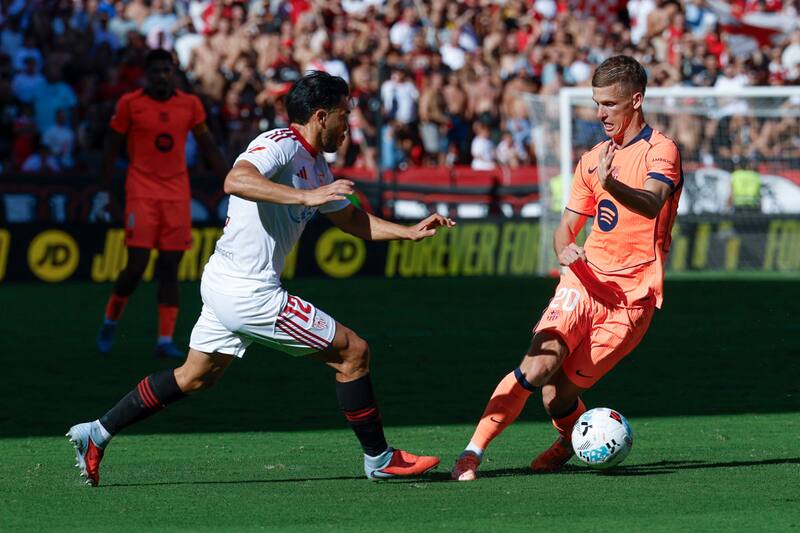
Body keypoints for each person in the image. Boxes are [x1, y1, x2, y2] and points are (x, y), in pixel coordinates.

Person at [68, 71, 455, 486]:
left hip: (226, 282)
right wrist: (305, 196)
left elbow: (350, 219)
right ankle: (379, 458)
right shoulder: (279, 143)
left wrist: (407, 232)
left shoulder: (316, 165)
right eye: (344, 115)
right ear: (320, 116)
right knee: (353, 353)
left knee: (195, 376)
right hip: (249, 292)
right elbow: (235, 179)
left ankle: (97, 432)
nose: (348, 125)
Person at [451, 55, 683, 481]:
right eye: (597, 104)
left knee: (556, 396)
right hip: (583, 281)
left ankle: (568, 441)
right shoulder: (592, 159)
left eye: (609, 104)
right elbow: (564, 231)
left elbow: (652, 203)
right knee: (538, 365)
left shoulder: (661, 150)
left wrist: (612, 184)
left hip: (631, 300)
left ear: (636, 100)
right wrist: (565, 251)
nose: (600, 114)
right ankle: (471, 453)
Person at [95, 48, 227, 359]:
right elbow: (111, 146)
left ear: (173, 72)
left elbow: (208, 145)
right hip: (141, 191)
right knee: (137, 265)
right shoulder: (130, 103)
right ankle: (110, 321)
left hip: (177, 194)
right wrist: (102, 191)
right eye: (155, 71)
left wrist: (232, 181)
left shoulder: (190, 104)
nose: (161, 76)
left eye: (166, 70)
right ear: (146, 74)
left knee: (170, 266)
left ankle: (164, 341)